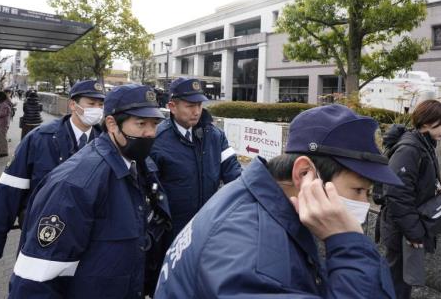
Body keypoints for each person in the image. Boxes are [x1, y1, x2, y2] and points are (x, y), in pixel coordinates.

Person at [154, 104, 402, 298]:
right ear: (304, 173)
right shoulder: (252, 259)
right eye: (358, 190)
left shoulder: (247, 197)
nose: (364, 204)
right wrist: (351, 245)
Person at [9, 84, 171, 298]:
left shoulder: (140, 166)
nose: (150, 133)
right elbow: (36, 278)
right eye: (141, 124)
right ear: (112, 124)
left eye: (155, 124)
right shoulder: (77, 184)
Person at [0, 80, 105, 262]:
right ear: (72, 105)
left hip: (88, 241)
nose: (97, 109)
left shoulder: (105, 143)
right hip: (42, 235)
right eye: (91, 104)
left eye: (100, 104)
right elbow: (8, 193)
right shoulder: (39, 139)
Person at [150, 77, 242, 241]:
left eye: (199, 105)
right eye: (190, 106)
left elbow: (235, 175)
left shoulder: (215, 136)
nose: (197, 111)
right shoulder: (157, 141)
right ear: (172, 107)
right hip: (171, 233)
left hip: (208, 228)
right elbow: (150, 191)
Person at [379, 99, 441, 299]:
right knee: (397, 281)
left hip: (407, 226)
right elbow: (396, 193)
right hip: (402, 229)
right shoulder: (410, 149)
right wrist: (414, 233)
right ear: (427, 123)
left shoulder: (424, 144)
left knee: (403, 278)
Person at [0, 91, 12, 157]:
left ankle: (4, 152)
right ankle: (0, 151)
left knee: (2, 138)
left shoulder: (4, 105)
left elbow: (2, 114)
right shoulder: (4, 104)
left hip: (3, 124)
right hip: (1, 123)